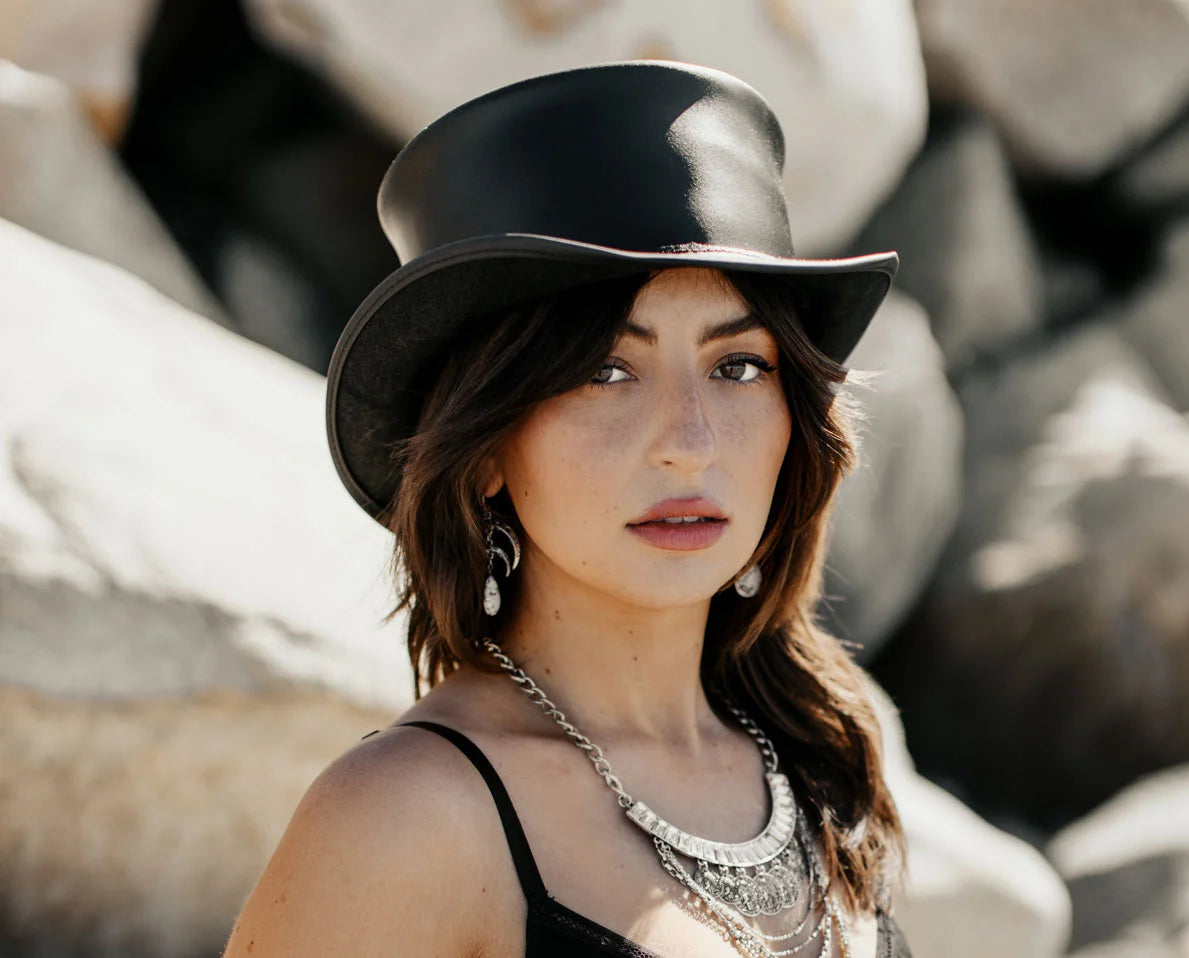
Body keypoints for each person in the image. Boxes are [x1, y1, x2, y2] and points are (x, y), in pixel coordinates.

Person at [223, 59, 912, 958]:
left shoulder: (822, 754)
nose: (690, 442)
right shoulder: (410, 815)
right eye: (605, 372)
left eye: (738, 366)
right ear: (484, 454)